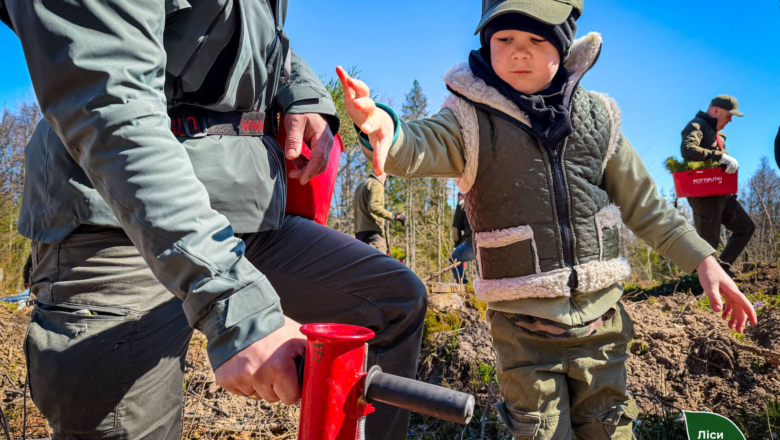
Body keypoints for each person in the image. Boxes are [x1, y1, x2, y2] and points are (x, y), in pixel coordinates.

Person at [1, 1, 426, 439]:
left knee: (391, 304)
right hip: (114, 222)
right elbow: (109, 104)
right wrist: (235, 303)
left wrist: (303, 94)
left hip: (244, 210)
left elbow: (252, 38)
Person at [336, 0, 758, 438]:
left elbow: (645, 205)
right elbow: (420, 144)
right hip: (524, 334)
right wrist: (383, 127)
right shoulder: (468, 120)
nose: (520, 52)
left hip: (602, 325)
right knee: (540, 431)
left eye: (537, 40)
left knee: (609, 427)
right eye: (505, 40)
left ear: (563, 44)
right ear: (486, 43)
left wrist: (704, 261)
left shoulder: (598, 119)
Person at [681, 95, 755, 273]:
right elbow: (688, 149)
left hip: (723, 194)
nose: (730, 121)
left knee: (746, 227)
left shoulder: (720, 135)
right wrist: (719, 156)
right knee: (708, 244)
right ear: (716, 110)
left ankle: (721, 271)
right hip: (704, 195)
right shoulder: (697, 125)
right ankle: (702, 284)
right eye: (729, 116)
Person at [354, 172, 405, 254]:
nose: (386, 180)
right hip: (373, 234)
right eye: (387, 176)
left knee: (363, 265)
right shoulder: (376, 184)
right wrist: (393, 216)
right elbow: (374, 206)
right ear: (383, 173)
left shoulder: (361, 186)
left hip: (360, 233)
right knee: (379, 265)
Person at [450, 193, 474, 283]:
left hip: (472, 242)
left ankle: (464, 284)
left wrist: (457, 243)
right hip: (488, 240)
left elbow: (455, 229)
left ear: (460, 197)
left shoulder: (462, 204)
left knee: (454, 259)